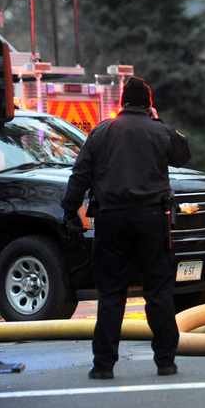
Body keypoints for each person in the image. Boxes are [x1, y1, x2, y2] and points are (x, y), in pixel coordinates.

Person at [60, 77, 191, 379]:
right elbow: (184, 155)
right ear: (148, 105)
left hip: (111, 221)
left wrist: (69, 211)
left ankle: (103, 365)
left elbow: (79, 175)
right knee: (158, 291)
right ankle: (165, 361)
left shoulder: (101, 132)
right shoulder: (159, 131)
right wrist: (161, 123)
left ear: (121, 102)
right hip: (151, 220)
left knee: (111, 294)